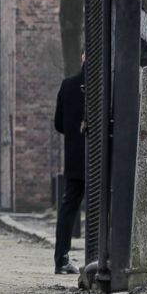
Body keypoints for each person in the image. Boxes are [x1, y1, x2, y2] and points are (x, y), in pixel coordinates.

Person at [54, 66, 85, 275]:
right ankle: (108, 256)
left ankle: (62, 259)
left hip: (76, 156)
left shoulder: (68, 85)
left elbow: (58, 124)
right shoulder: (110, 83)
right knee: (110, 205)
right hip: (105, 157)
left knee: (69, 206)